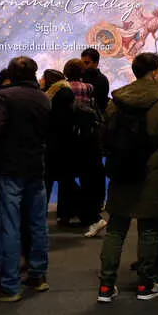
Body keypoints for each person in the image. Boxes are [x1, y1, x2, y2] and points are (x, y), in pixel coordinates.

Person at [96, 52, 158, 303]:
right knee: (149, 230)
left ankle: (106, 286)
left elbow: (104, 138)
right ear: (156, 73)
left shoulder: (115, 102)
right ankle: (145, 284)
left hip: (122, 172)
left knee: (116, 229)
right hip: (154, 174)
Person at [0, 57, 53, 302]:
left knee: (10, 225)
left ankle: (10, 285)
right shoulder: (44, 98)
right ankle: (38, 276)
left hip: (10, 168)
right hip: (36, 167)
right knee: (38, 224)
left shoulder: (4, 96)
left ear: (11, 73)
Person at [58, 59, 104, 231]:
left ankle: (66, 214)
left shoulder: (62, 89)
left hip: (68, 135)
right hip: (86, 135)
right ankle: (89, 213)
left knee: (67, 176)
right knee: (87, 176)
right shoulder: (89, 88)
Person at [80, 47, 111, 114]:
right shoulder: (79, 77)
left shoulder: (102, 80)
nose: (83, 66)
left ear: (96, 63)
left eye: (86, 63)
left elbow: (100, 103)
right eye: (81, 63)